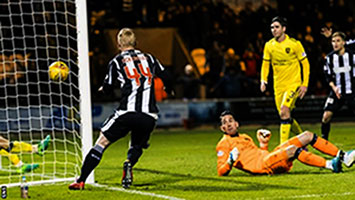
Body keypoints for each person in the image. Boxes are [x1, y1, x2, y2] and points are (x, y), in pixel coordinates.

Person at [69, 28, 174, 190]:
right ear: (136, 43)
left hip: (127, 113)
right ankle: (129, 163)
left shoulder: (117, 61)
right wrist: (169, 88)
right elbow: (167, 76)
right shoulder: (149, 58)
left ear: (118, 44)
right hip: (149, 116)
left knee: (101, 143)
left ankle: (81, 180)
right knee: (137, 145)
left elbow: (109, 87)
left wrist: (103, 90)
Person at [216, 110, 355, 176]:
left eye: (230, 120)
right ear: (222, 128)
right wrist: (229, 161)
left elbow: (260, 155)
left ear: (237, 123)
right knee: (293, 149)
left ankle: (343, 157)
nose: (228, 124)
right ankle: (331, 165)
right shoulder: (223, 144)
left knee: (307, 135)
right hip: (265, 166)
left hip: (268, 158)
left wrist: (263, 144)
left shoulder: (245, 137)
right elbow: (221, 172)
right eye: (224, 123)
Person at [260, 16, 310, 144]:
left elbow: (305, 64)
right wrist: (263, 80)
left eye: (276, 27)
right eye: (272, 27)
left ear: (284, 29)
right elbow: (265, 64)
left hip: (293, 84)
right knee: (285, 116)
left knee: (284, 110)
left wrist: (304, 84)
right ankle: (303, 138)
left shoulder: (295, 44)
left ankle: (282, 147)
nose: (274, 30)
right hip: (278, 86)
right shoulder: (269, 45)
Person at [320, 31, 355, 140]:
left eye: (338, 41)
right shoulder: (329, 58)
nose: (335, 44)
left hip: (352, 91)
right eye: (333, 41)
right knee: (326, 117)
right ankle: (324, 141)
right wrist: (334, 88)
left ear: (344, 43)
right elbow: (328, 76)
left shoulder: (352, 56)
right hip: (337, 91)